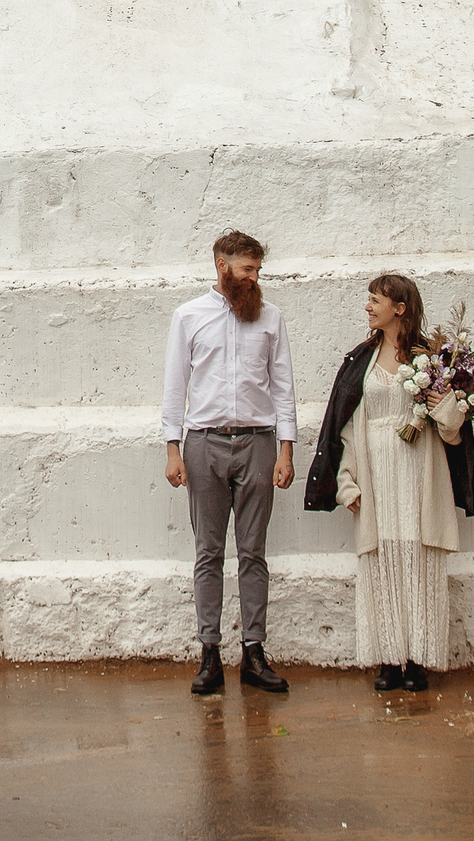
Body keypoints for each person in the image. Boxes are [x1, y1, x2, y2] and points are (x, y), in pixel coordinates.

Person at [302, 272, 474, 693]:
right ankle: (388, 658)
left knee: (419, 559)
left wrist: (446, 406)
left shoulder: (431, 360)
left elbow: (454, 433)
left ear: (400, 309)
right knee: (382, 560)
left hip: (420, 469)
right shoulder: (359, 361)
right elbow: (346, 428)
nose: (367, 306)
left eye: (375, 300)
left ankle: (418, 659)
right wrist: (346, 483)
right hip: (376, 471)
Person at [161, 229, 298, 696]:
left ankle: (254, 652)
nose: (254, 277)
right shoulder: (189, 316)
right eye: (247, 269)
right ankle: (209, 654)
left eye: (257, 269)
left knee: (254, 551)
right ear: (223, 266)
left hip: (258, 443)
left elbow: (283, 385)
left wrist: (286, 449)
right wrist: (172, 448)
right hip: (204, 443)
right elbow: (175, 384)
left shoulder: (271, 317)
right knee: (208, 552)